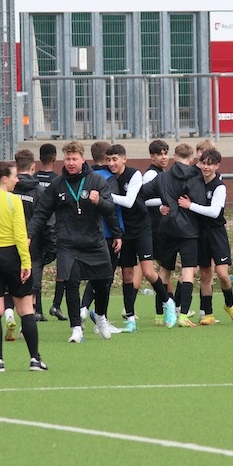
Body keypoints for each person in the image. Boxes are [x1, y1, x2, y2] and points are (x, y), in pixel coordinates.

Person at [27, 141, 122, 344]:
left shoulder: (96, 180)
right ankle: (76, 328)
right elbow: (41, 213)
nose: (70, 163)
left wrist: (100, 204)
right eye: (67, 159)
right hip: (67, 243)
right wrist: (29, 235)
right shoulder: (58, 184)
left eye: (74, 159)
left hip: (94, 241)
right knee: (70, 282)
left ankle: (101, 316)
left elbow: (110, 209)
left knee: (104, 281)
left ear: (82, 160)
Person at [0, 159, 45, 373]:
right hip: (11, 256)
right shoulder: (13, 201)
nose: (17, 180)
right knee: (25, 309)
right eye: (15, 176)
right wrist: (26, 262)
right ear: (4, 179)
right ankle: (35, 359)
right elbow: (20, 235)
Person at [107, 143, 173, 333]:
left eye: (115, 159)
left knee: (148, 271)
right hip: (124, 231)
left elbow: (129, 202)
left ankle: (168, 303)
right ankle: (130, 319)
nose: (111, 163)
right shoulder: (108, 177)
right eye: (109, 160)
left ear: (124, 159)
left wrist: (106, 196)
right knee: (127, 274)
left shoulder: (134, 174)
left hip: (142, 228)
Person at [139, 142, 205, 327]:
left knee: (164, 272)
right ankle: (183, 315)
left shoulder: (162, 177)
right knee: (188, 271)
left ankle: (160, 315)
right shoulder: (196, 177)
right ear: (191, 159)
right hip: (189, 231)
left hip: (167, 229)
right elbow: (200, 202)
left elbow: (141, 193)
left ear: (174, 158)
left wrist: (161, 206)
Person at [179, 148, 233, 326]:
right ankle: (208, 314)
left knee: (222, 274)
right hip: (200, 232)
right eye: (203, 163)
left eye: (210, 164)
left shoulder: (219, 187)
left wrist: (191, 206)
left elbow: (215, 212)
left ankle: (229, 305)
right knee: (206, 274)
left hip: (216, 232)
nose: (206, 167)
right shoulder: (195, 183)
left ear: (217, 166)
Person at [80, 142, 125, 335]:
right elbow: (110, 208)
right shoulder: (108, 178)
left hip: (88, 233)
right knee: (105, 277)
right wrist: (117, 233)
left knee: (95, 275)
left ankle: (83, 308)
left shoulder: (86, 178)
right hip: (107, 235)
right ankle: (101, 319)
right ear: (107, 157)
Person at [2, 148, 44, 341]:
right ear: (33, 166)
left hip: (8, 244)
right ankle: (24, 328)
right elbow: (45, 220)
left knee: (8, 284)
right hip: (32, 245)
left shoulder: (9, 190)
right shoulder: (39, 191)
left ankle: (9, 315)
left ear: (16, 167)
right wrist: (50, 247)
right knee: (30, 287)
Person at [32, 143, 62, 320]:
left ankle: (38, 308)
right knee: (62, 268)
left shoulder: (33, 180)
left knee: (37, 268)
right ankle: (56, 305)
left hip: (37, 230)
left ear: (39, 158)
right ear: (55, 158)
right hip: (55, 229)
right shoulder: (58, 180)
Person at [143, 139, 172, 325]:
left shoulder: (162, 173)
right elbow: (143, 199)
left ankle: (171, 305)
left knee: (164, 268)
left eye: (165, 153)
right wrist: (165, 203)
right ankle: (161, 310)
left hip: (161, 228)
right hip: (154, 228)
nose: (164, 157)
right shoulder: (151, 175)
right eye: (159, 154)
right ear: (152, 157)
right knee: (160, 269)